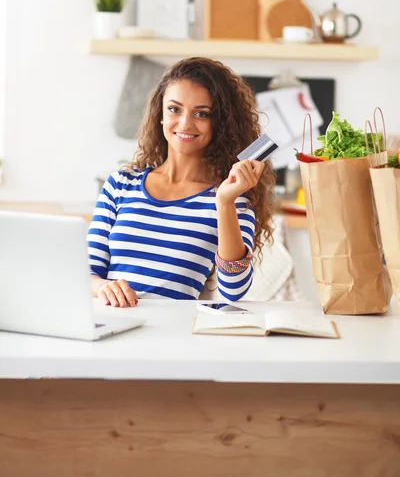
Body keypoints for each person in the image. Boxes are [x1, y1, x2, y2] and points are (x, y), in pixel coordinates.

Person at [88, 57, 275, 307]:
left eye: (201, 113)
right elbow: (86, 273)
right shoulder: (121, 184)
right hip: (110, 326)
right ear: (161, 115)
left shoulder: (231, 200)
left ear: (219, 123)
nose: (185, 123)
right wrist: (104, 287)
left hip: (174, 336)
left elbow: (233, 291)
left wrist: (225, 201)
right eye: (175, 109)